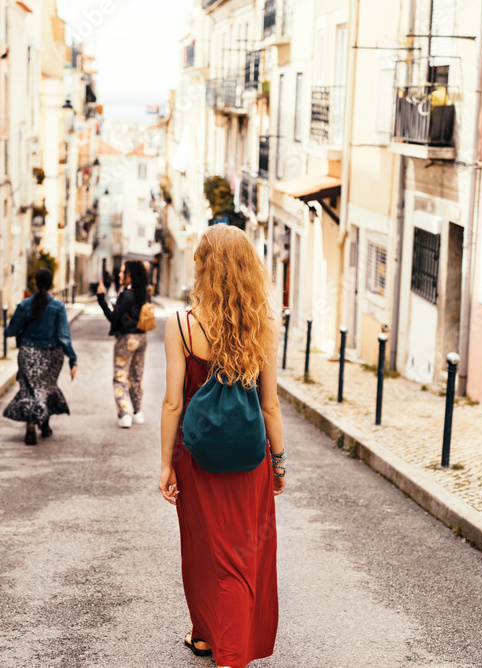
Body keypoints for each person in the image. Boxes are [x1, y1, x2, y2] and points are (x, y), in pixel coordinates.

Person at [159, 225, 285, 668]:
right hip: (250, 457)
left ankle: (220, 647)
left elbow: (174, 400)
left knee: (200, 548)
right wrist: (280, 463)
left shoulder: (181, 325)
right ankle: (210, 637)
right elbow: (270, 407)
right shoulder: (265, 324)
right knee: (243, 552)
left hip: (195, 455)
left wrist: (164, 464)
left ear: (203, 268)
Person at [3, 268, 77, 445]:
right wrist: (72, 359)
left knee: (29, 390)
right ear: (52, 285)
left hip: (28, 354)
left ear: (35, 283)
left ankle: (31, 424)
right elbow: (64, 336)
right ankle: (44, 426)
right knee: (45, 390)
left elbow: (11, 331)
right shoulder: (58, 307)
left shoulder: (24, 305)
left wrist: (8, 329)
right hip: (52, 355)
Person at [96, 260, 150, 428]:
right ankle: (138, 412)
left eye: (123, 272)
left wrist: (101, 299)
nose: (119, 275)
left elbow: (113, 317)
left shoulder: (126, 294)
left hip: (126, 339)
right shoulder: (143, 293)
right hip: (141, 338)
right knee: (137, 375)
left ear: (130, 275)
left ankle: (124, 413)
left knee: (121, 376)